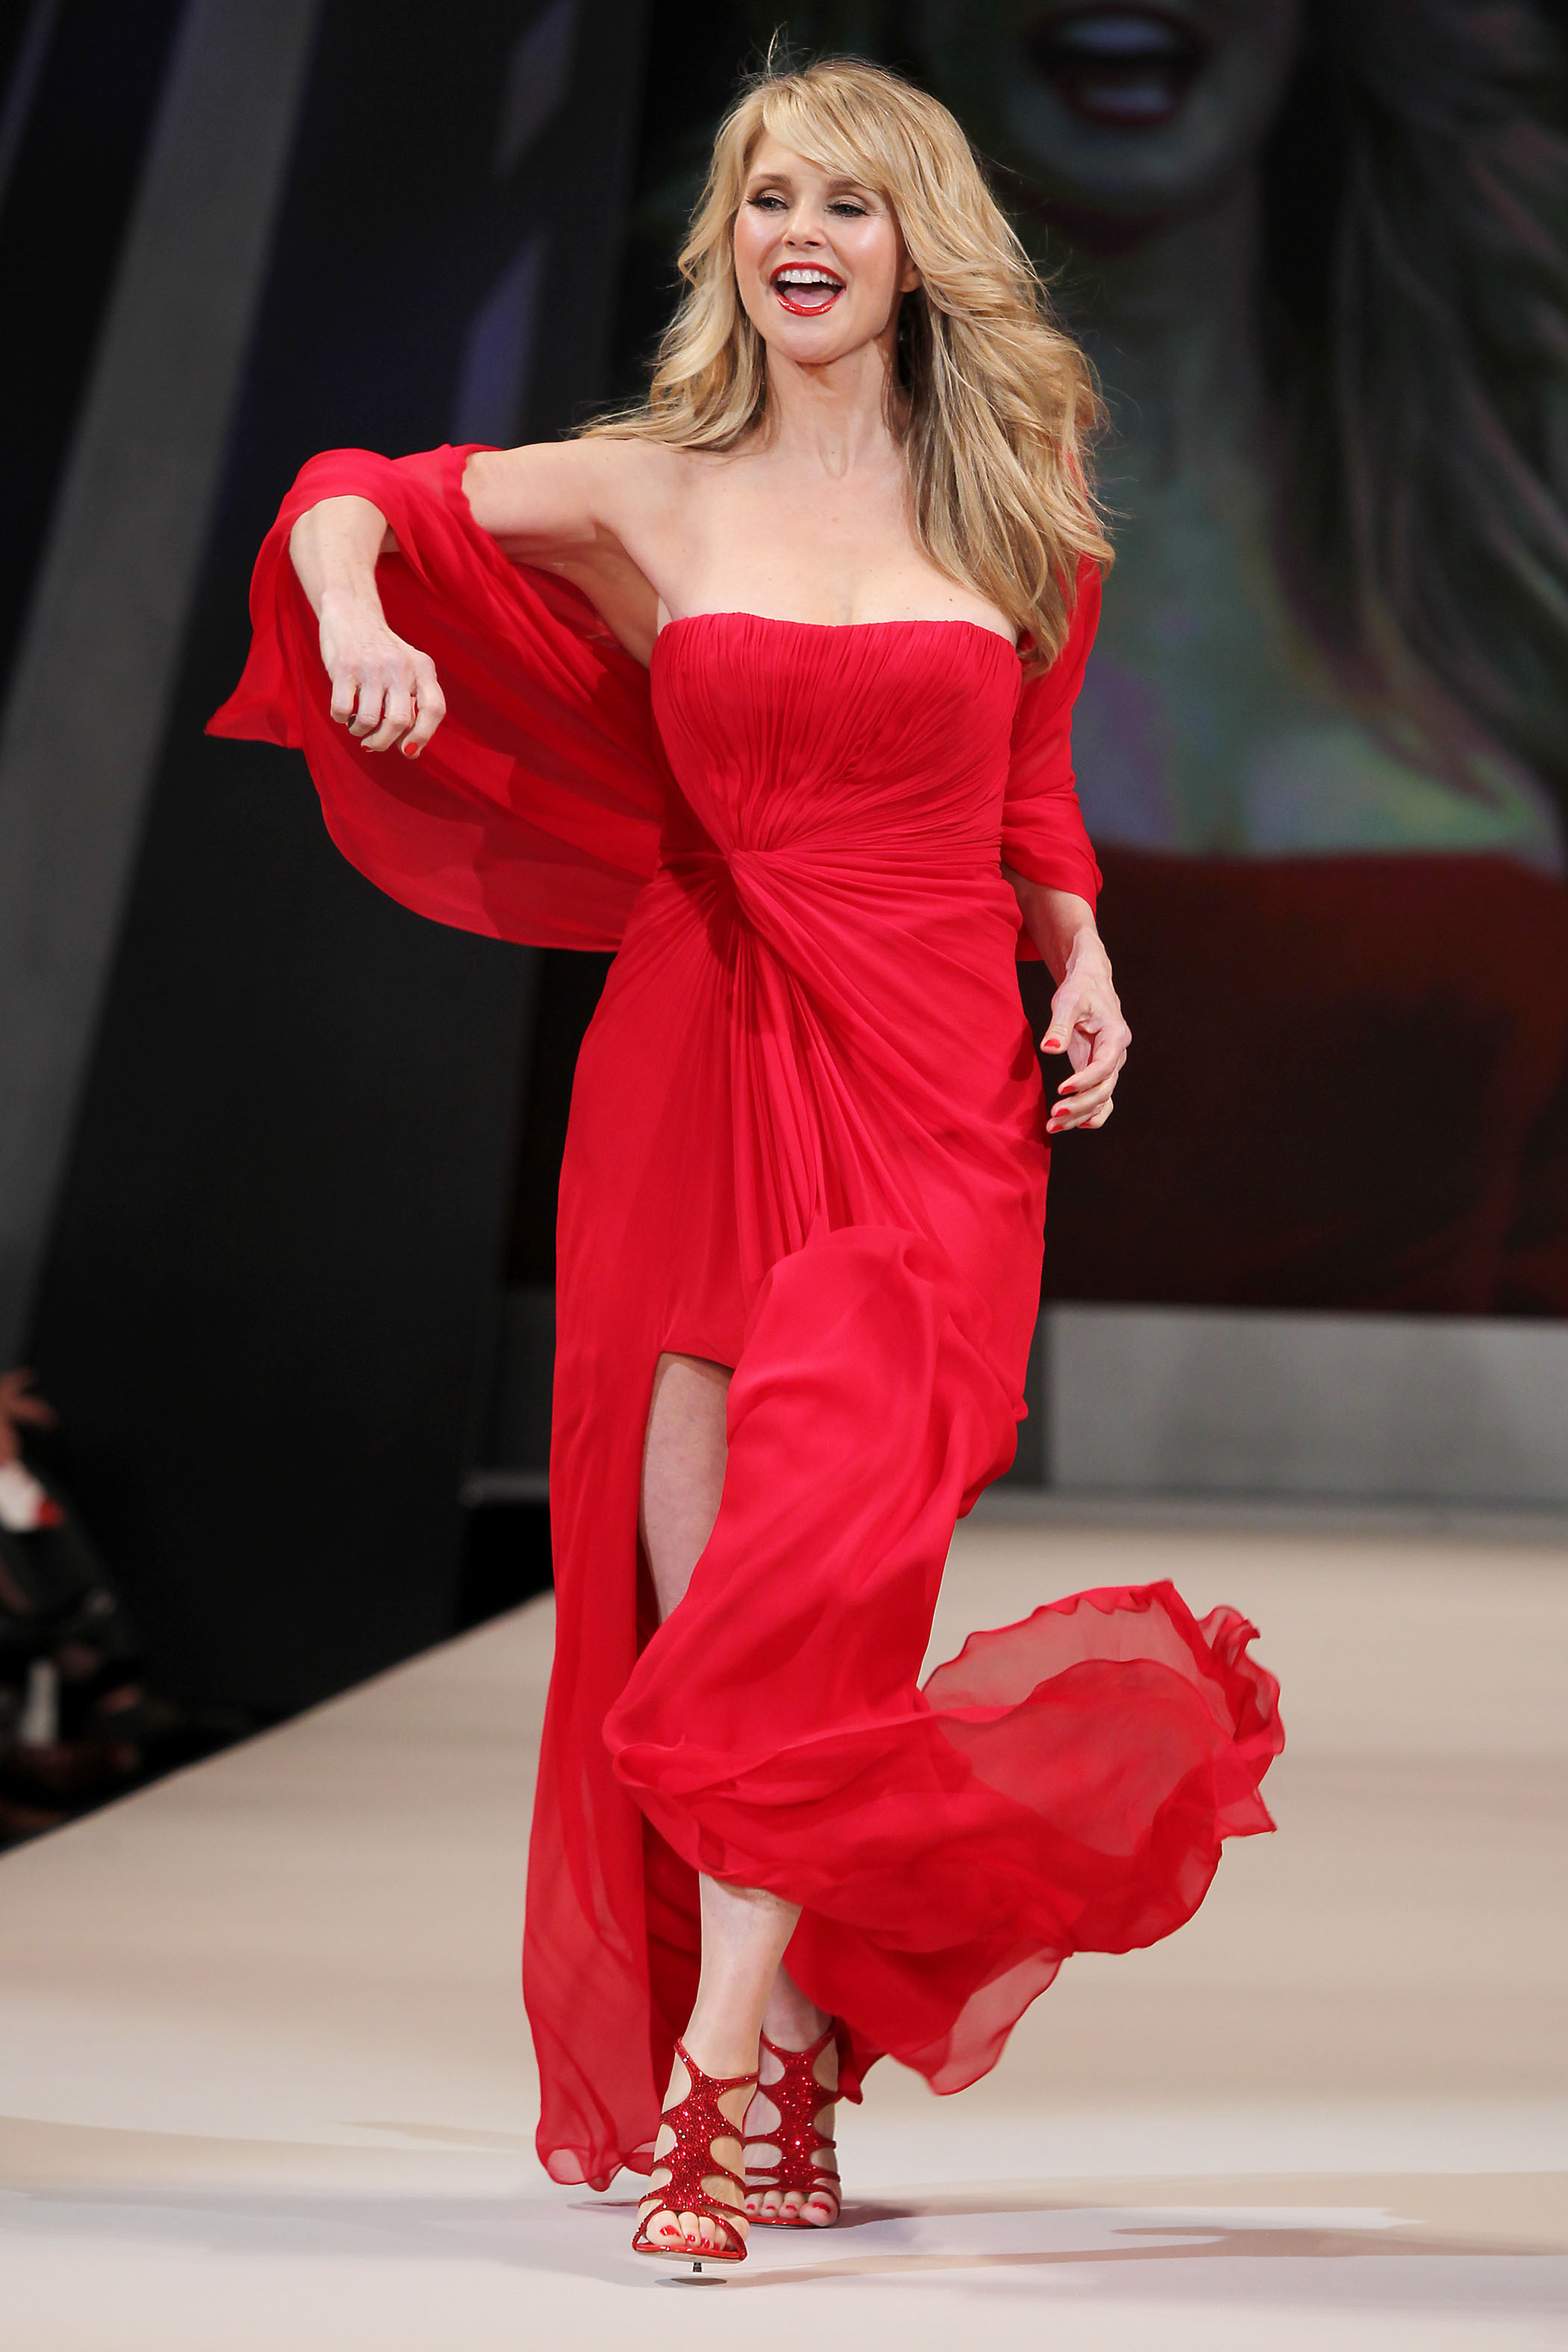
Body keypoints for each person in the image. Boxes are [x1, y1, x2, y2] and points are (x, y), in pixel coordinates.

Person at [213, 55, 1282, 2268]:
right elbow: (347, 491)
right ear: (733, 241)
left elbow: (1027, 790)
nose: (804, 232)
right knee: (711, 1616)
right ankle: (771, 2050)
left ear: (916, 249)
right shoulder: (654, 490)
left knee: (833, 1571)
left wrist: (1081, 950)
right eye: (769, 195)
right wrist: (360, 612)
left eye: (848, 202)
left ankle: (718, 2073)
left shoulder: (1022, 508)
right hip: (698, 1058)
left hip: (933, 1087)